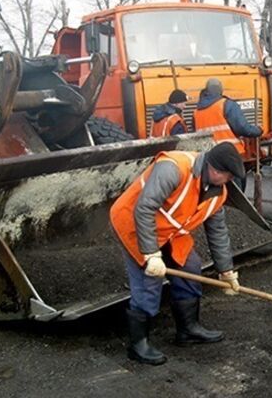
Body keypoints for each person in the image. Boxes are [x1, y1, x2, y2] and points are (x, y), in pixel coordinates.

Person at [109, 142, 244, 365]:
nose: (229, 182)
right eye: (228, 177)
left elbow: (218, 231)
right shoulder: (173, 168)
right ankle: (138, 345)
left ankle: (188, 330)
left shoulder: (218, 193)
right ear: (215, 170)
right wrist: (151, 254)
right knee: (149, 278)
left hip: (171, 230)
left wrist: (226, 271)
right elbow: (144, 209)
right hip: (134, 223)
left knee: (190, 266)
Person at [193, 78, 262, 190]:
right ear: (220, 90)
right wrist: (258, 130)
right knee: (236, 191)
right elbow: (242, 128)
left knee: (215, 192)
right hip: (230, 155)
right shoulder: (226, 105)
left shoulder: (196, 112)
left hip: (208, 158)